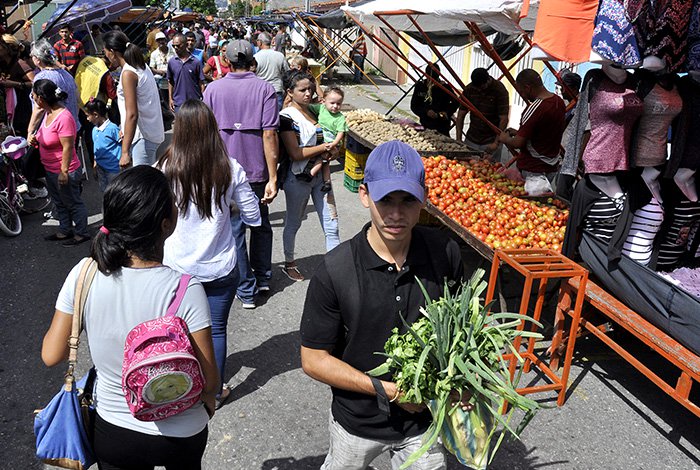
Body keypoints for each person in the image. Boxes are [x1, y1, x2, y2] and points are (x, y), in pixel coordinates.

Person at [300, 140, 465, 470]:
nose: (395, 213)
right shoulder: (336, 270)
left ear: (424, 199)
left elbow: (458, 328)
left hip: (424, 423)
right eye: (385, 199)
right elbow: (314, 359)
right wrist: (388, 390)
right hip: (357, 424)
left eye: (407, 200)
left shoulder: (444, 252)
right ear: (364, 195)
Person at [41, 166, 218, 469]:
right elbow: (210, 381)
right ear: (166, 224)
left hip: (113, 429)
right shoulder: (185, 289)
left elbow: (51, 354)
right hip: (181, 432)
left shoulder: (83, 274)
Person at [158, 99, 261, 407]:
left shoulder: (166, 166)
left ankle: (179, 385)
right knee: (215, 330)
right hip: (220, 266)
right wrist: (229, 207)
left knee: (178, 329)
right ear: (213, 129)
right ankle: (213, 393)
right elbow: (253, 216)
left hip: (176, 268)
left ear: (180, 130)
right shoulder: (229, 167)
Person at [203, 39, 279, 309]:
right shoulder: (265, 88)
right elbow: (269, 134)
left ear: (226, 61)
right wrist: (273, 177)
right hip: (256, 169)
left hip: (223, 170)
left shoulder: (212, 89)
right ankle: (263, 276)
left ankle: (246, 289)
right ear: (252, 61)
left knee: (234, 229)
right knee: (260, 224)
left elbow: (207, 133)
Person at [279, 70, 340, 282]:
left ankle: (336, 270)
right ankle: (289, 263)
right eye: (302, 90)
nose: (308, 93)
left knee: (332, 224)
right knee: (294, 223)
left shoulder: (316, 111)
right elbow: (295, 154)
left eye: (310, 89)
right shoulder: (286, 117)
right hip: (298, 178)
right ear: (290, 92)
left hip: (321, 178)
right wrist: (324, 147)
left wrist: (333, 151)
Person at [30, 79, 89, 246]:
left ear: (41, 98)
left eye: (34, 94)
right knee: (60, 202)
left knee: (72, 202)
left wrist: (64, 171)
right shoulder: (48, 113)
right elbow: (49, 138)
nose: (33, 97)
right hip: (50, 169)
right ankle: (65, 230)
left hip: (65, 170)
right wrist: (37, 140)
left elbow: (68, 147)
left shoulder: (64, 117)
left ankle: (81, 233)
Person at [103, 30, 165, 167]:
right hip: (149, 132)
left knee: (144, 185)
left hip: (142, 137)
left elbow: (132, 114)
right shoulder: (139, 66)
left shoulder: (128, 73)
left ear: (112, 52)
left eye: (105, 52)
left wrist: (124, 152)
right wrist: (124, 127)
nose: (105, 57)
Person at [498, 68, 566, 185]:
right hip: (551, 167)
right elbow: (543, 131)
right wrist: (520, 132)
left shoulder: (535, 108)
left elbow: (518, 143)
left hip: (533, 168)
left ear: (527, 87)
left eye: (522, 92)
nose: (523, 95)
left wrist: (505, 138)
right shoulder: (558, 102)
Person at [27, 40, 80, 142]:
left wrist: (30, 131)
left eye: (32, 56)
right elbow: (77, 99)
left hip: (53, 132)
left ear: (37, 59)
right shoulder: (66, 74)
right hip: (72, 127)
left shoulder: (41, 77)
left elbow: (39, 108)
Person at [455, 67, 510, 157]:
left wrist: (496, 143)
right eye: (477, 88)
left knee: (491, 167)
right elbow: (461, 115)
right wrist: (458, 139)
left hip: (490, 140)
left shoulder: (499, 90)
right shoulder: (470, 89)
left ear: (488, 80)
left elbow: (503, 119)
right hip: (472, 138)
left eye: (482, 87)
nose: (479, 90)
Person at [306, 86, 347, 192]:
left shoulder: (340, 118)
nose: (335, 106)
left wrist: (334, 144)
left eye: (338, 104)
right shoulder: (321, 109)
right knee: (325, 163)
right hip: (322, 140)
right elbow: (308, 107)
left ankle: (310, 174)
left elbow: (340, 133)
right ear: (324, 101)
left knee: (322, 158)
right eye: (332, 103)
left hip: (332, 142)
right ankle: (327, 181)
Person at [410, 63, 458, 137]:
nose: (432, 83)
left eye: (434, 80)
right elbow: (414, 106)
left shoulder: (445, 87)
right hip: (425, 125)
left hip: (442, 127)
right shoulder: (420, 86)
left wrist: (443, 114)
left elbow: (456, 103)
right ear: (426, 75)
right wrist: (426, 111)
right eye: (430, 80)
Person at [85, 98, 120, 192]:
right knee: (104, 191)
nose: (87, 119)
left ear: (96, 115)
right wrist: (95, 164)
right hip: (101, 168)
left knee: (115, 192)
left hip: (113, 169)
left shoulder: (113, 128)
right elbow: (96, 148)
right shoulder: (94, 130)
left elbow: (123, 143)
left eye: (88, 116)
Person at [168, 33, 205, 113]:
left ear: (185, 45)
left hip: (194, 103)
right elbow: (170, 81)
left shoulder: (195, 62)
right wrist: (170, 99)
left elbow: (201, 82)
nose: (175, 48)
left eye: (178, 46)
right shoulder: (172, 62)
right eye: (173, 46)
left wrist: (203, 99)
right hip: (179, 103)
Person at [254, 32, 289, 109]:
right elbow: (287, 72)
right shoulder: (279, 55)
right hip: (276, 90)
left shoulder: (256, 57)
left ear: (259, 42)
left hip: (260, 91)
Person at [149, 31, 175, 128]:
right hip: (161, 81)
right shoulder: (154, 54)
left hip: (173, 80)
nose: (161, 42)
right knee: (164, 100)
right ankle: (170, 117)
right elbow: (151, 68)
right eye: (158, 40)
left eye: (162, 40)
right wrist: (160, 72)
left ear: (165, 40)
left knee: (174, 98)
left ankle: (175, 116)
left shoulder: (173, 51)